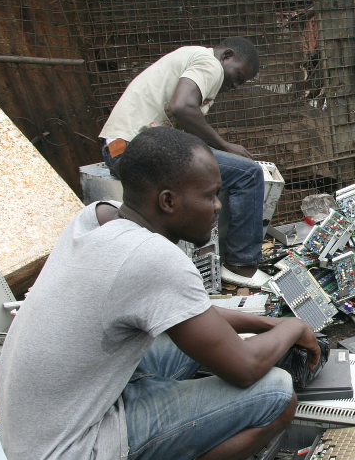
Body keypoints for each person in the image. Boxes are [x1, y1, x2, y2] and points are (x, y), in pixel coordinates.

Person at [0, 128, 318, 460]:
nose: (219, 206)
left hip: (37, 436)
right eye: (210, 196)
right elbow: (243, 369)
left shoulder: (99, 217)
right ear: (168, 201)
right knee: (277, 393)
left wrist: (266, 323)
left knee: (215, 343)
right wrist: (294, 325)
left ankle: (145, 440)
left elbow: (185, 312)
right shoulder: (155, 260)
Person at [99, 37, 270, 288]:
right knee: (248, 173)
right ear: (227, 56)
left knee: (215, 170)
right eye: (238, 76)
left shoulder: (192, 60)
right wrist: (224, 146)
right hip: (133, 148)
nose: (235, 85)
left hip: (122, 148)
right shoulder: (209, 63)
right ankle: (240, 265)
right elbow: (181, 107)